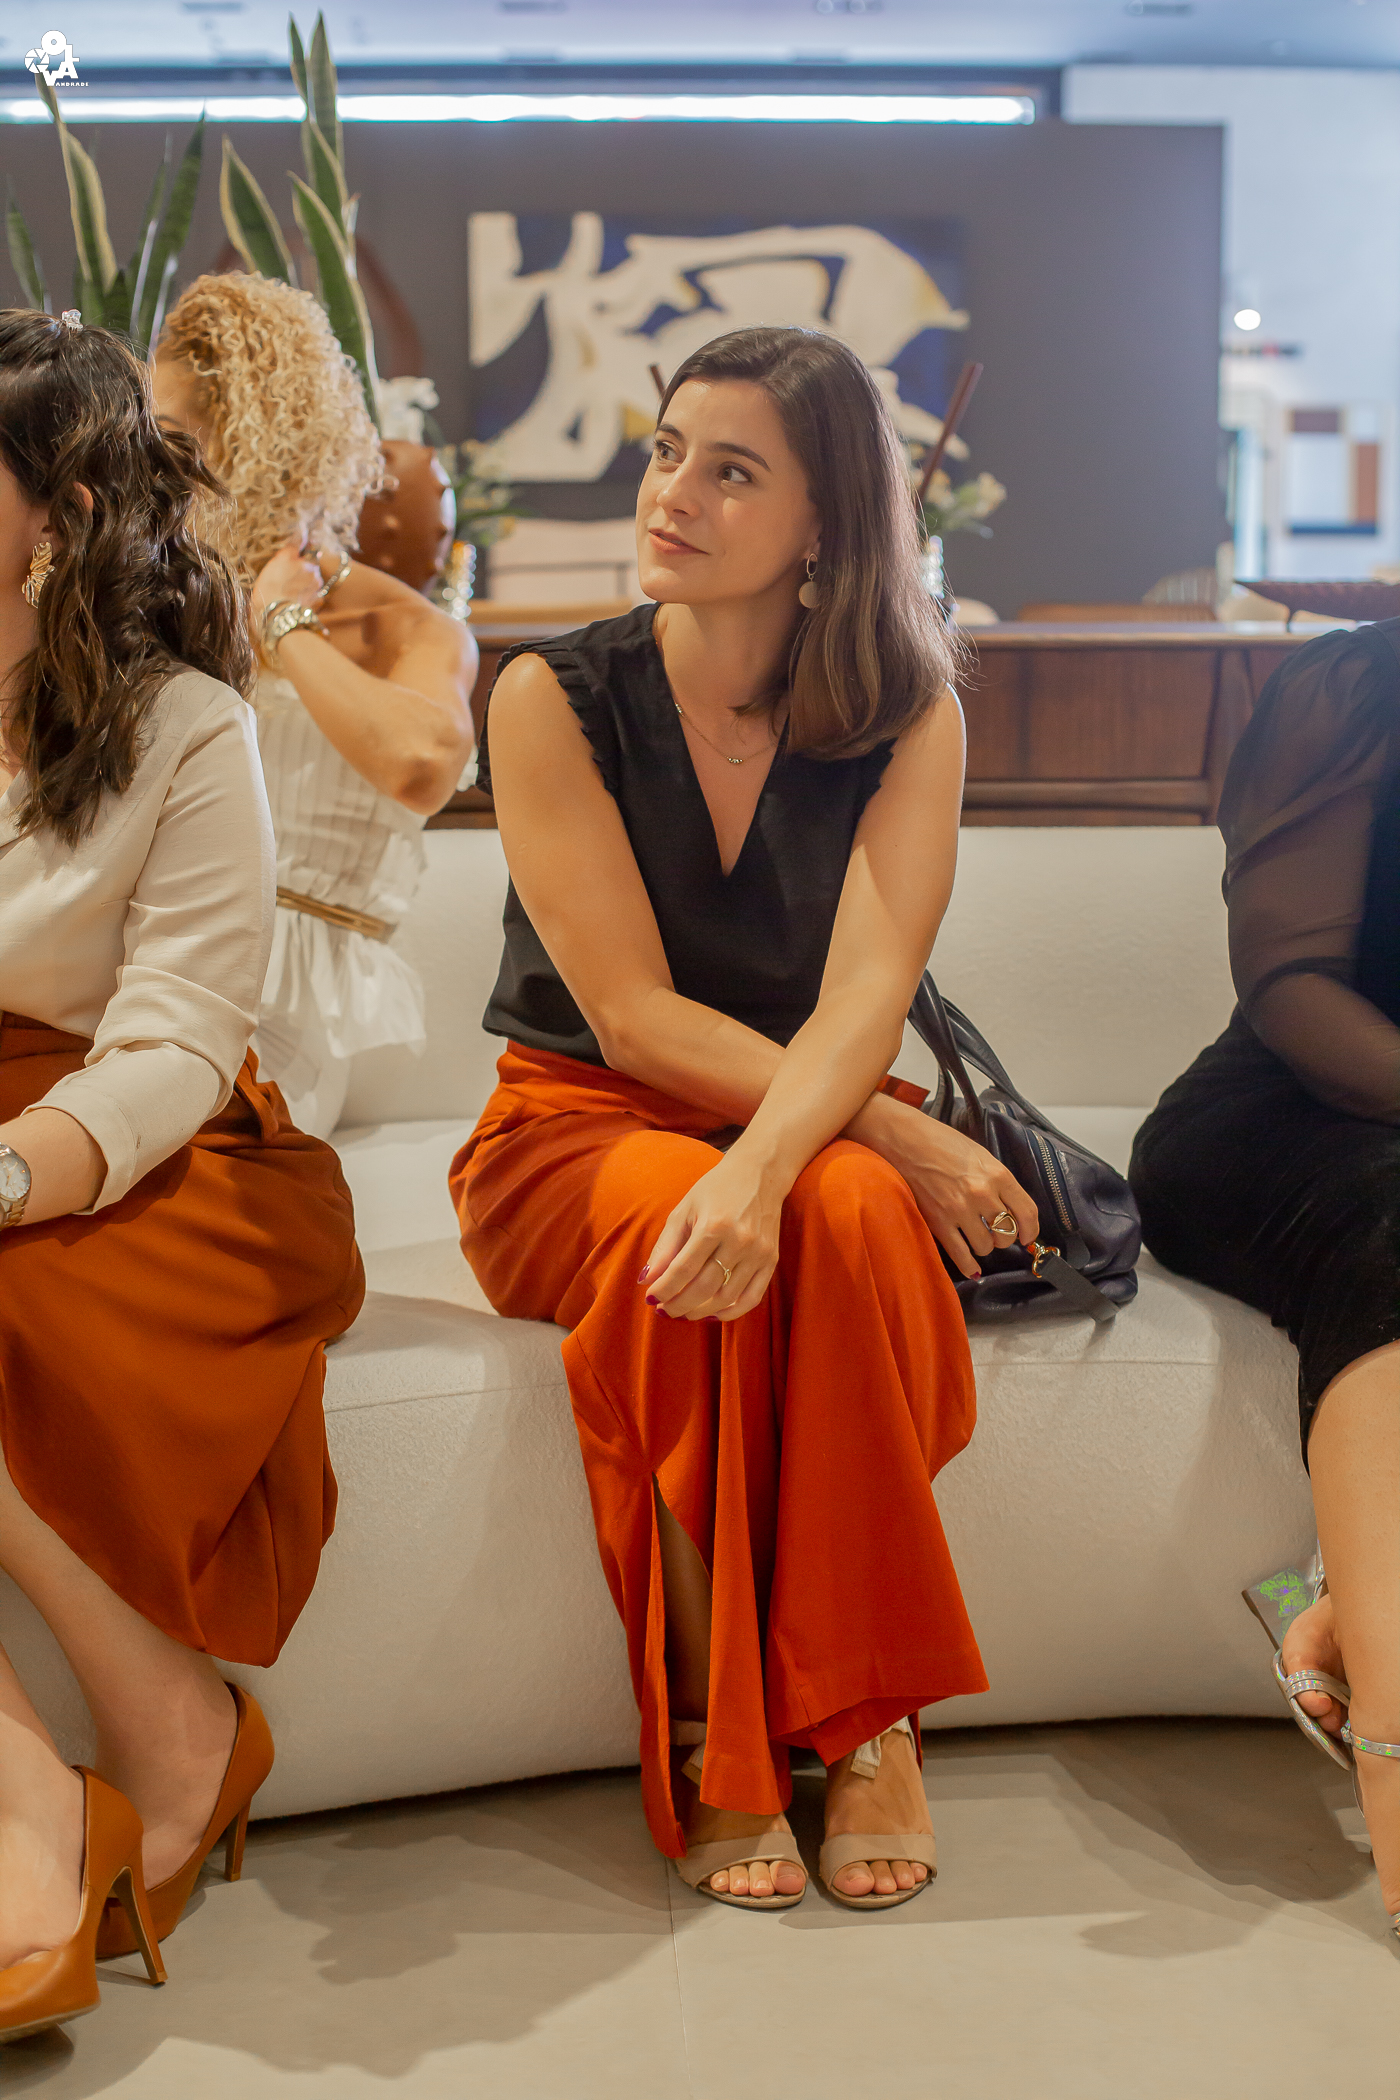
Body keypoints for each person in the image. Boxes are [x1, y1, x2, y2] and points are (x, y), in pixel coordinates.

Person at [451, 326, 1040, 1911]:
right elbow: (631, 1021)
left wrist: (799, 1156)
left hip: (803, 1115)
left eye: (730, 471)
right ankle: (724, 1739)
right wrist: (887, 1131)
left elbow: (868, 998)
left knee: (840, 1220)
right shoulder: (550, 693)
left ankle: (869, 1721)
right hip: (576, 1125)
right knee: (686, 1228)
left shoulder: (911, 714)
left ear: (825, 520)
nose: (673, 496)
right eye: (666, 453)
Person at [0, 308, 364, 2042]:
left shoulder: (187, 728)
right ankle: (67, 1780)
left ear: (61, 514)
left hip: (136, 1145)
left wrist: (12, 1173)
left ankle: (105, 1784)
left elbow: (176, 1039)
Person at [1129, 623, 1399, 1941]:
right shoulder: (1354, 688)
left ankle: (1335, 1613)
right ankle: (1397, 1776)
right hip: (1286, 1119)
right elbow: (1291, 988)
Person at [153, 273, 477, 1139]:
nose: (151, 472)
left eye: (177, 442)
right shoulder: (150, 608)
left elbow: (419, 766)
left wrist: (281, 623)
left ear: (258, 441)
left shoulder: (402, 625)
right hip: (135, 972)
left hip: (280, 1010)